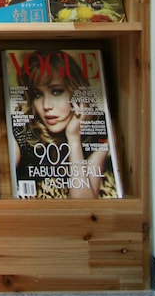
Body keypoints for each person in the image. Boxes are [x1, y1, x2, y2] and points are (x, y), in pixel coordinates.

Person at [11, 50, 112, 199]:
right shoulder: (22, 130)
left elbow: (83, 203)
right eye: (37, 94)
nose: (46, 106)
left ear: (76, 93)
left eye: (57, 92)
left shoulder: (97, 127)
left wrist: (73, 138)